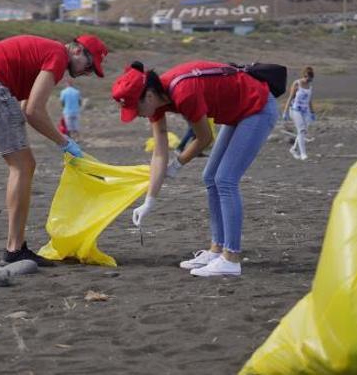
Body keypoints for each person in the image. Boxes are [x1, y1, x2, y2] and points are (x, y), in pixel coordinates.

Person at [0, 34, 108, 266]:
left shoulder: (43, 52)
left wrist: (55, 138)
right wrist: (65, 143)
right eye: (90, 65)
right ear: (77, 51)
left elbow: (26, 106)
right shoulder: (57, 54)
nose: (88, 72)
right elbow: (34, 111)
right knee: (23, 166)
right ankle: (15, 248)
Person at [111, 60, 277, 277]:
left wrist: (177, 165)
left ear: (149, 96)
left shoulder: (183, 93)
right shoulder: (156, 99)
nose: (137, 115)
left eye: (136, 108)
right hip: (239, 112)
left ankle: (231, 258)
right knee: (210, 177)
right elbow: (159, 152)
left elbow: (205, 138)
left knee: (225, 180)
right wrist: (149, 201)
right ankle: (216, 250)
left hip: (258, 107)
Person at [282, 66, 316, 161]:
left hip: (306, 111)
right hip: (295, 110)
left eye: (310, 79)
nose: (308, 80)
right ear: (305, 75)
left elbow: (309, 100)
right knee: (301, 130)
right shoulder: (297, 84)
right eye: (307, 78)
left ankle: (293, 149)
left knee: (303, 131)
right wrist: (285, 112)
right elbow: (290, 97)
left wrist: (312, 112)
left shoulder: (310, 86)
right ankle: (303, 154)